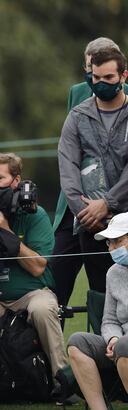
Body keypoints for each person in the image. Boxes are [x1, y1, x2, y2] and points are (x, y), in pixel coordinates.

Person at [53, 38, 128, 320]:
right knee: (99, 292)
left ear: (123, 75)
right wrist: (83, 211)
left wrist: (108, 203)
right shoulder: (77, 115)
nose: (101, 83)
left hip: (123, 212)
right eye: (95, 78)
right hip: (88, 220)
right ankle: (101, 356)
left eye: (108, 77)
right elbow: (68, 164)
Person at [0, 153, 67, 380]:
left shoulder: (35, 215)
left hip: (32, 293)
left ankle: (63, 379)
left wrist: (6, 231)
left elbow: (38, 267)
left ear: (16, 181)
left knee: (43, 308)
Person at [67, 213, 128, 410]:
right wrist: (112, 338)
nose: (111, 247)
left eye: (117, 241)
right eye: (109, 242)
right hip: (121, 343)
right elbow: (109, 318)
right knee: (77, 342)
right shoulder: (113, 272)